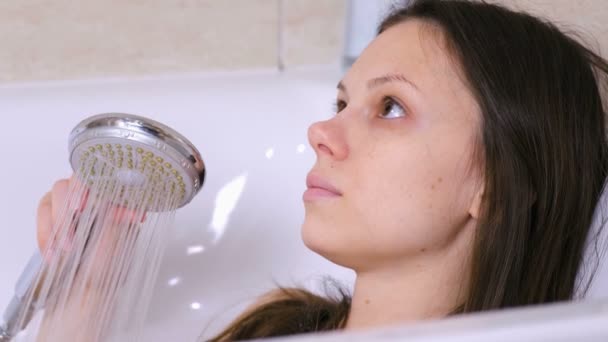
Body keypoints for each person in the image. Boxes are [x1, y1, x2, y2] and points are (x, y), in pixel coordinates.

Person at [36, 0, 608, 340]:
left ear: (497, 184)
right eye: (341, 104)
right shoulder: (275, 326)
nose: (321, 134)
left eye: (390, 108)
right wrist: (86, 286)